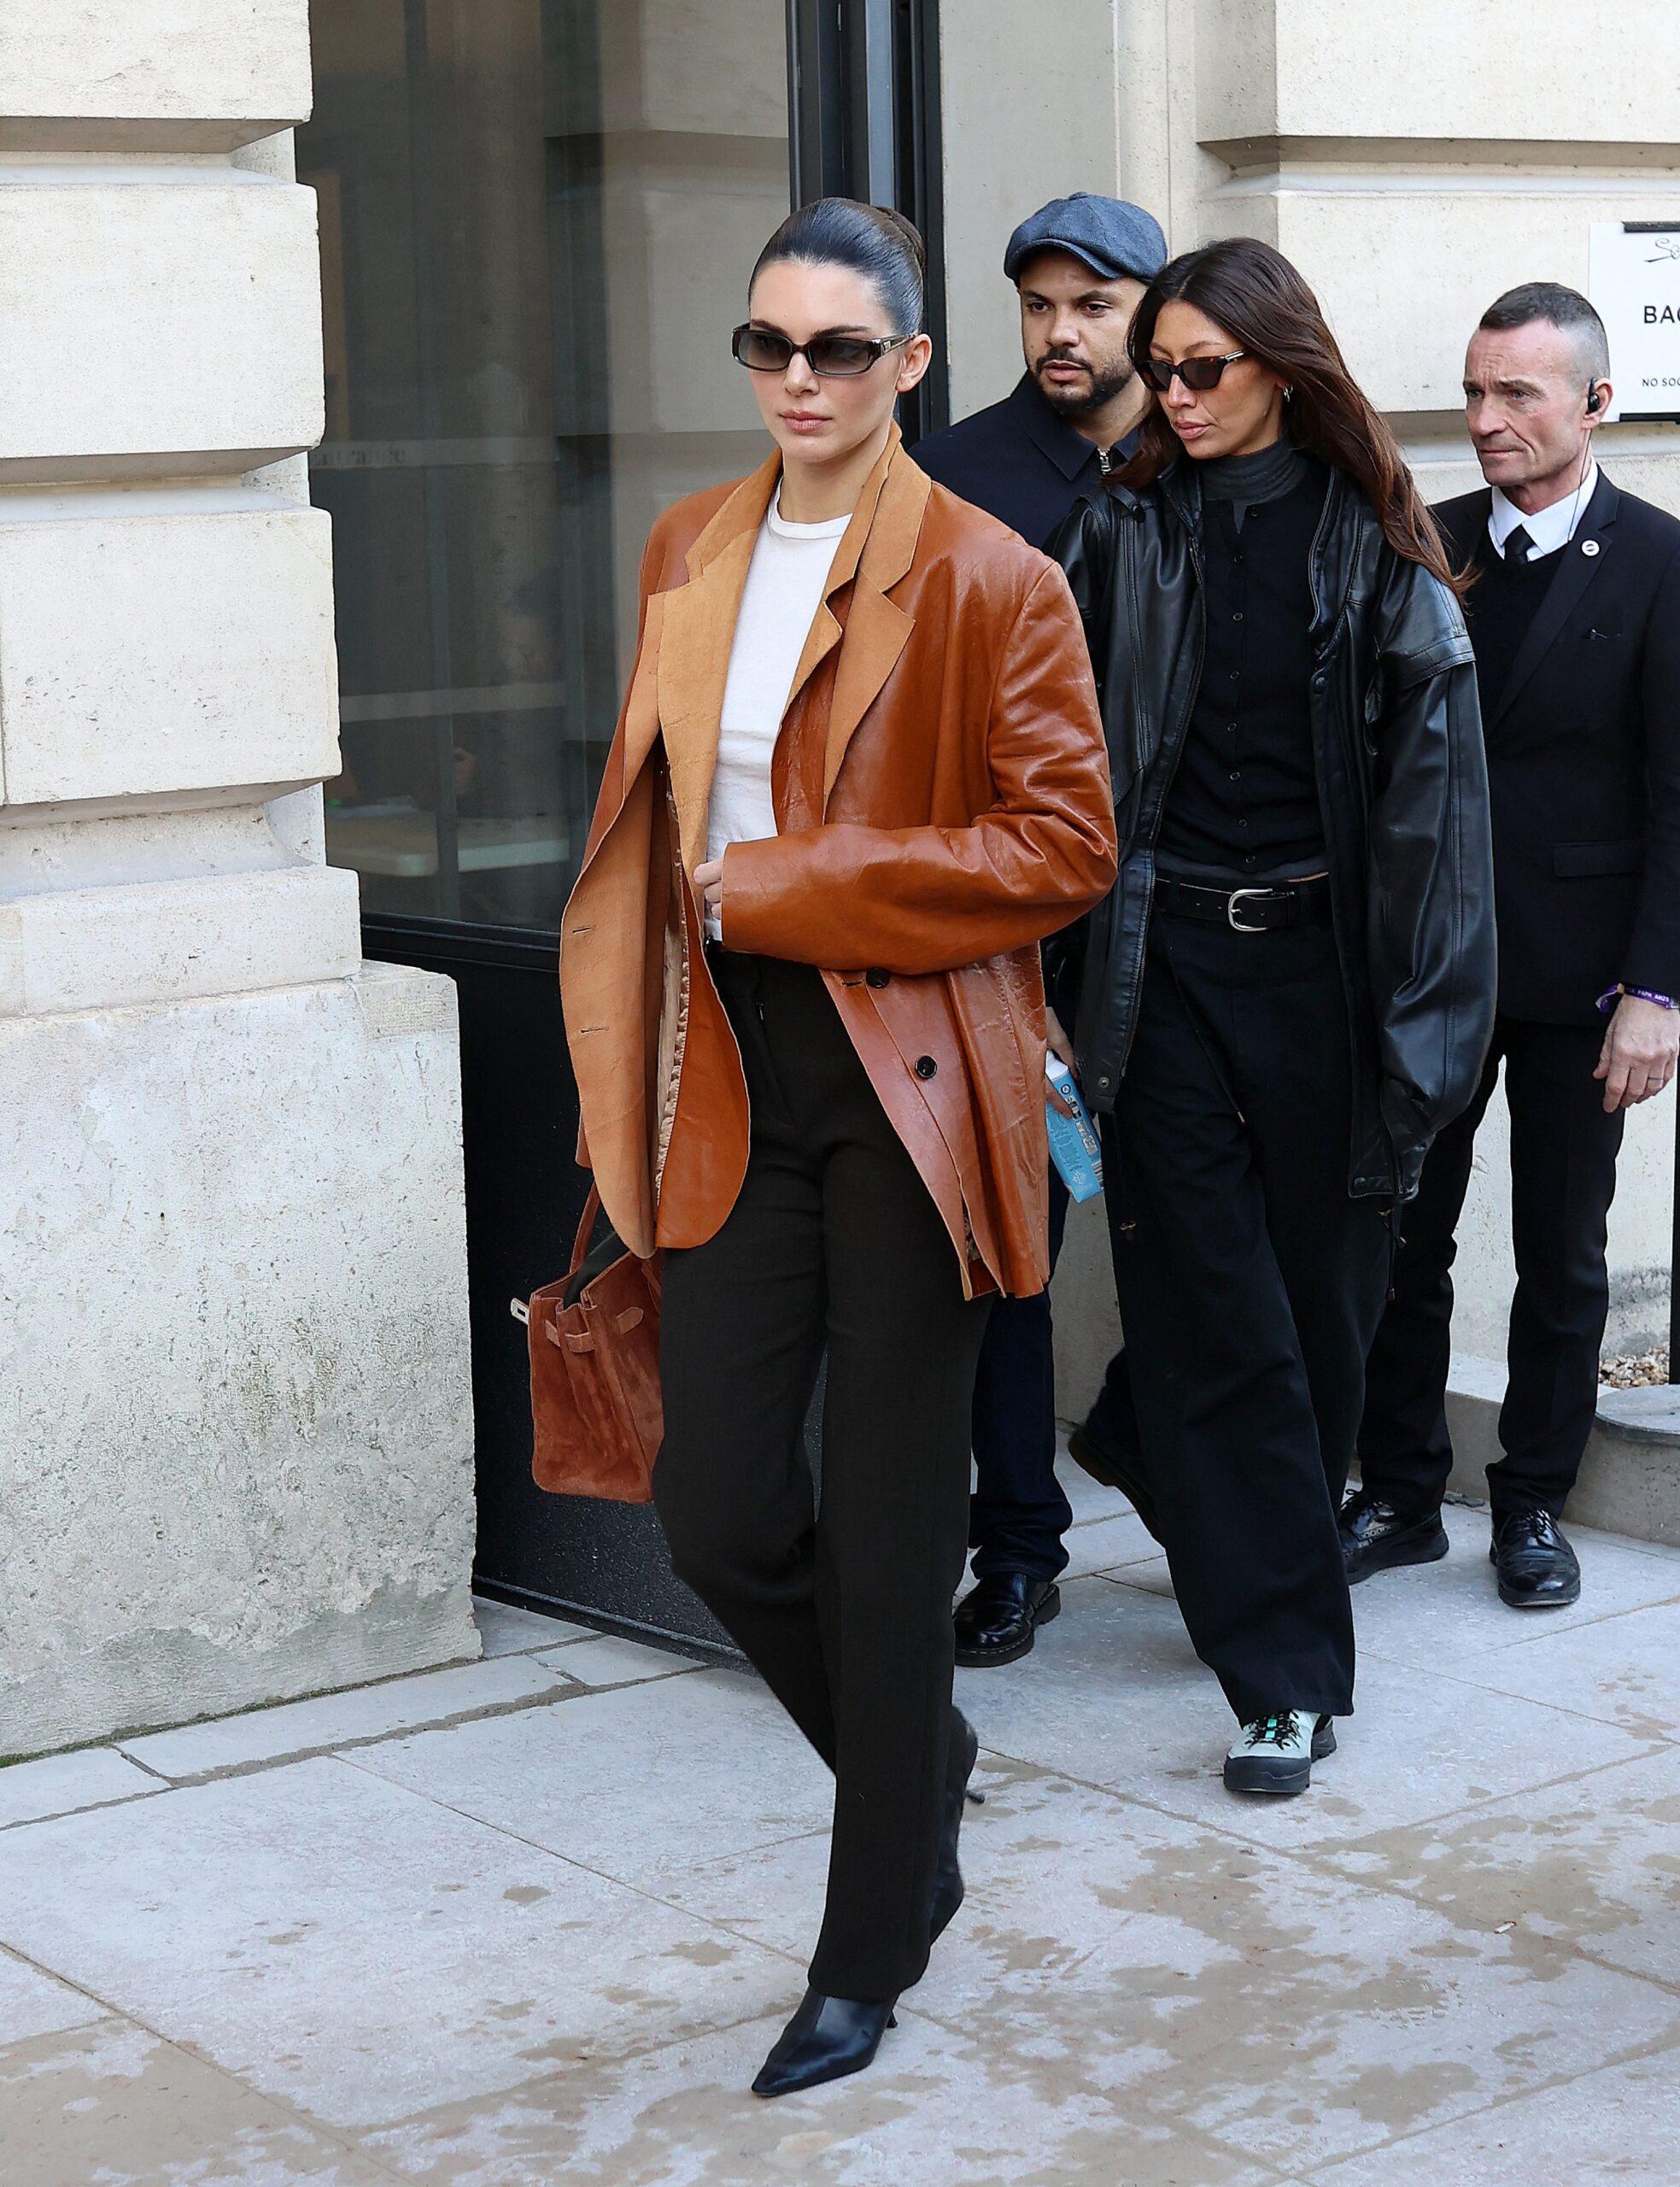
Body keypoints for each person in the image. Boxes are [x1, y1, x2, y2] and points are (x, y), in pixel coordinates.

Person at [559, 197, 1116, 2095]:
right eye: (769, 348)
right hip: (727, 1072)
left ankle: (872, 1932)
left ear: (911, 366)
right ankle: (918, 1756)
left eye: (840, 352)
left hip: (910, 1086)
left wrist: (798, 883)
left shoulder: (989, 574)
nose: (800, 381)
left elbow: (1063, 845)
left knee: (891, 1546)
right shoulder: (689, 546)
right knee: (717, 1505)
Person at [1051, 236, 1496, 1796]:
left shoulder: (1374, 543)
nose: (1169, 397)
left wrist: (1428, 1049)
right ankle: (1284, 1676)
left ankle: (1176, 1472)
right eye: (1154, 370)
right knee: (1212, 1306)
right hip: (1159, 966)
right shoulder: (1119, 527)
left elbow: (1440, 820)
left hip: (1326, 970)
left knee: (1323, 1312)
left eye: (1199, 370)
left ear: (1280, 366)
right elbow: (1059, 765)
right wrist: (1059, 985)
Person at [1347, 284, 1680, 1609]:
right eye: (1476, 393)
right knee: (1397, 1235)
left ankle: (1533, 1504)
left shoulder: (1661, 561)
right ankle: (1404, 1488)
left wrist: (1657, 990)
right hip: (1426, 963)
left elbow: (1677, 796)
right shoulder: (1417, 539)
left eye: (1519, 396)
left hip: (1581, 975)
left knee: (1562, 1246)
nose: (1487, 420)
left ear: (1596, 403)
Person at [915, 192, 1164, 1668]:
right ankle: (1016, 1547)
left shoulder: (1197, 458)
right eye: (1040, 305)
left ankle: (1156, 1451)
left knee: (1206, 1236)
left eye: (1095, 304)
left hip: (1185, 934)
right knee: (1011, 1259)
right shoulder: (953, 478)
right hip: (1019, 948)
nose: (1064, 333)